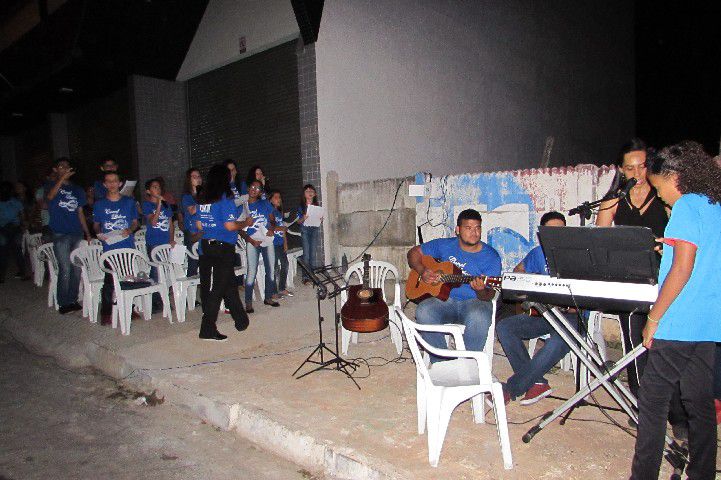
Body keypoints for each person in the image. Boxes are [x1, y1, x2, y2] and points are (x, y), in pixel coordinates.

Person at [629, 141, 721, 479]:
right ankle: (702, 473)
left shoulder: (685, 207)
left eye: (659, 186)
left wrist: (654, 317)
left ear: (675, 177)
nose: (660, 194)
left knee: (653, 403)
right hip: (709, 322)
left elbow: (682, 267)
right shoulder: (715, 206)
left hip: (679, 320)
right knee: (699, 403)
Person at [595, 138, 669, 401]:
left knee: (663, 341)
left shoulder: (663, 195)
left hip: (663, 276)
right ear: (621, 170)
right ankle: (641, 400)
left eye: (642, 166)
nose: (637, 173)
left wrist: (664, 246)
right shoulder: (615, 198)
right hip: (629, 276)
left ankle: (673, 409)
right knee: (633, 338)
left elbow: (681, 236)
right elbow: (599, 238)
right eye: (630, 168)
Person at [496, 211, 578, 404]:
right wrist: (533, 285)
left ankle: (511, 388)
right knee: (505, 327)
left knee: (558, 342)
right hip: (545, 314)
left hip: (572, 316)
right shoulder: (537, 253)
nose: (557, 235)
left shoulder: (577, 254)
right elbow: (518, 272)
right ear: (542, 234)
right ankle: (537, 383)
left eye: (561, 230)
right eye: (551, 231)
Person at [406, 209, 501, 362]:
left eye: (477, 228)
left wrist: (481, 290)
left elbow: (489, 295)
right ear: (457, 230)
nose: (474, 233)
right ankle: (442, 362)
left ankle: (468, 364)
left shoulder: (491, 256)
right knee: (423, 311)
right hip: (444, 300)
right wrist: (422, 270)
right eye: (468, 228)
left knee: (480, 317)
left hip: (474, 302)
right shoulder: (444, 245)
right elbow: (413, 253)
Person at [196, 164, 251, 341]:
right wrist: (245, 223)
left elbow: (199, 225)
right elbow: (230, 225)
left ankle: (241, 320)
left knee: (228, 284)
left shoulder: (203, 199)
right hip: (222, 246)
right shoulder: (224, 199)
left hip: (207, 245)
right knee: (217, 289)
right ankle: (207, 328)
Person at [45, 158, 92, 314]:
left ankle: (72, 299)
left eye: (67, 166)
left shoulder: (77, 189)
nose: (65, 168)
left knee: (76, 268)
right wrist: (61, 180)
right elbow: (50, 198)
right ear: (55, 169)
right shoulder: (51, 185)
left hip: (76, 232)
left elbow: (80, 212)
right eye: (61, 166)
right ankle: (63, 302)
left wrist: (87, 233)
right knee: (65, 269)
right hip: (60, 233)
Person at [93, 171, 139, 325]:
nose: (112, 184)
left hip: (127, 245)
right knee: (109, 281)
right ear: (105, 184)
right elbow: (96, 224)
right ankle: (106, 313)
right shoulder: (99, 204)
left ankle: (130, 309)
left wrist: (130, 230)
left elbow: (135, 222)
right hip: (110, 247)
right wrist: (98, 233)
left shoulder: (129, 201)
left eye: (115, 181)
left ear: (120, 183)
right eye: (109, 181)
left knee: (129, 279)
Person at [242, 179, 278, 312]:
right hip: (252, 240)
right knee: (252, 271)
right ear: (248, 188)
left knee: (271, 268)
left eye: (257, 188)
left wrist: (271, 229)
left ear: (260, 192)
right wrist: (250, 240)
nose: (254, 189)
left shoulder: (264, 203)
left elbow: (272, 220)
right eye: (252, 186)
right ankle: (248, 302)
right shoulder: (243, 206)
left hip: (266, 238)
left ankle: (268, 297)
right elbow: (239, 228)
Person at [142, 178, 175, 313]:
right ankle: (156, 302)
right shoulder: (147, 205)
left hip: (166, 242)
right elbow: (154, 222)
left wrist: (172, 239)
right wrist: (159, 205)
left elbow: (170, 224)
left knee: (167, 271)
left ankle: (165, 298)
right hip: (154, 242)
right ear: (148, 191)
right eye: (155, 187)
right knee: (156, 271)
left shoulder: (166, 206)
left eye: (159, 187)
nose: (158, 189)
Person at [0, 181, 25, 284]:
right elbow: (22, 216)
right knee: (16, 251)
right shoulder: (16, 202)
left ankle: (2, 276)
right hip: (11, 228)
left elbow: (22, 216)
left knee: (4, 252)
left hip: (8, 228)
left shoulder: (16, 202)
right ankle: (22, 272)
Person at [296, 184, 321, 284]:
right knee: (306, 254)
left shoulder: (317, 206)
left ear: (314, 194)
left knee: (313, 254)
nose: (310, 192)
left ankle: (312, 275)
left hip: (314, 229)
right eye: (307, 190)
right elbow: (298, 221)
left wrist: (320, 219)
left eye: (311, 190)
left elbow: (319, 219)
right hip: (305, 229)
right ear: (304, 194)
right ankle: (305, 277)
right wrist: (304, 217)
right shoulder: (301, 207)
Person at [268, 189, 291, 297]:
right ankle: (273, 291)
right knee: (275, 267)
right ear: (271, 200)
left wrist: (285, 243)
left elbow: (282, 230)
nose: (278, 199)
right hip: (273, 242)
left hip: (280, 242)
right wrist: (281, 228)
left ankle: (281, 288)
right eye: (276, 197)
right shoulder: (269, 212)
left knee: (285, 264)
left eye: (279, 197)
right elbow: (270, 227)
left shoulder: (279, 213)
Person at [180, 168, 203, 276]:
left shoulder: (203, 193)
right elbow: (192, 210)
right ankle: (191, 289)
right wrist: (203, 199)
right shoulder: (187, 196)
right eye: (194, 177)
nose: (198, 179)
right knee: (193, 262)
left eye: (199, 176)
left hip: (202, 228)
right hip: (191, 231)